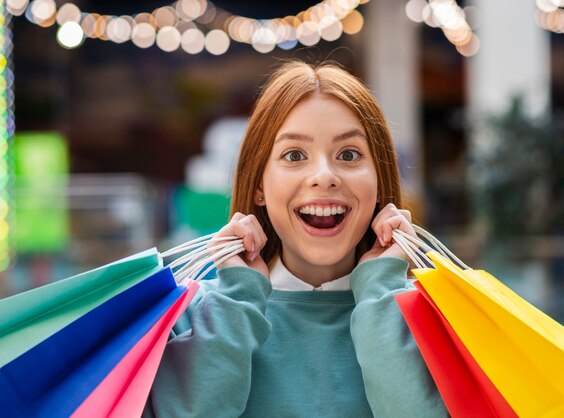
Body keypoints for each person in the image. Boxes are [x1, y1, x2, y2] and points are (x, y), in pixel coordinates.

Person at [143, 61, 446, 417]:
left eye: (349, 155)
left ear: (379, 182)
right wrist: (237, 301)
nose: (324, 176)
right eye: (294, 155)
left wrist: (382, 295)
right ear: (258, 185)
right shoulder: (190, 322)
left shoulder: (438, 324)